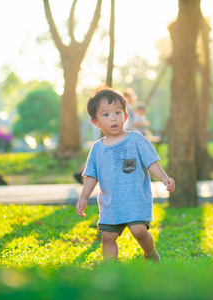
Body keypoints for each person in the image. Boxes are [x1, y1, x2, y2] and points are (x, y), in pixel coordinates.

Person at [75, 86, 175, 262]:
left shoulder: (136, 140)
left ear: (125, 116)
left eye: (117, 112)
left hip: (135, 199)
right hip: (110, 203)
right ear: (95, 122)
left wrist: (164, 178)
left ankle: (150, 254)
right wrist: (83, 197)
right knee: (107, 237)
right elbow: (91, 175)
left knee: (139, 231)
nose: (113, 118)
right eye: (105, 114)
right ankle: (111, 267)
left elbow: (152, 162)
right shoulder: (97, 149)